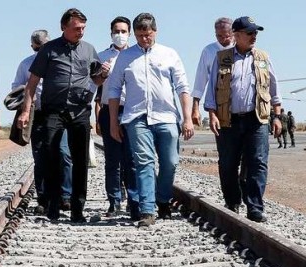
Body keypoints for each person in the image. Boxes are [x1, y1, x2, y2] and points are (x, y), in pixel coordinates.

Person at [17, 8, 108, 222]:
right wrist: (25, 111)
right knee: (51, 158)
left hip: (79, 112)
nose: (81, 32)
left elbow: (96, 80)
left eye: (83, 28)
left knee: (79, 160)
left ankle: (77, 209)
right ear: (64, 27)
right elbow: (32, 83)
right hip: (52, 112)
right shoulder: (48, 50)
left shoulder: (89, 50)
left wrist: (103, 74)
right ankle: (53, 206)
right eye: (77, 28)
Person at [107, 13, 194, 227]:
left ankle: (163, 199)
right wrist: (112, 122)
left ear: (155, 31)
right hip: (136, 117)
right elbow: (114, 89)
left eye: (148, 34)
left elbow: (183, 87)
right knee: (143, 162)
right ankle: (147, 210)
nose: (144, 39)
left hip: (166, 116)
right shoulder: (125, 58)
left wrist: (187, 118)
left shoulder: (169, 54)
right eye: (139, 35)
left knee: (170, 163)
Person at [204, 16, 282, 223]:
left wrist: (277, 116)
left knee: (258, 162)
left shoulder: (263, 58)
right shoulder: (222, 58)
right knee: (228, 164)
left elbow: (274, 88)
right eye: (249, 33)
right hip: (228, 120)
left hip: (256, 119)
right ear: (236, 36)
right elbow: (211, 90)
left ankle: (255, 206)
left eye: (255, 32)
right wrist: (211, 114)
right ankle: (232, 202)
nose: (254, 36)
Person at [11, 30, 73, 213]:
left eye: (44, 46)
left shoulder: (60, 60)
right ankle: (43, 199)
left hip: (58, 113)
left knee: (63, 154)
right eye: (38, 47)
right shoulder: (25, 64)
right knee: (41, 157)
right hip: (36, 114)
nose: (41, 50)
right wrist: (27, 95)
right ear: (33, 47)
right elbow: (16, 87)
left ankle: (66, 196)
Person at [94, 16, 139, 219]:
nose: (120, 35)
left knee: (131, 159)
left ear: (129, 33)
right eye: (116, 31)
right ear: (111, 33)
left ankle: (133, 200)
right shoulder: (101, 55)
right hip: (108, 110)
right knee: (112, 160)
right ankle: (114, 201)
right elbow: (93, 84)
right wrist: (102, 75)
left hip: (131, 111)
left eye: (123, 31)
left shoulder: (136, 55)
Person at [191, 18, 234, 126]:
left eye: (227, 36)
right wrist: (195, 108)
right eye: (219, 36)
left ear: (233, 33)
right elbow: (200, 80)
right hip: (219, 107)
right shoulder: (208, 51)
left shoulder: (240, 49)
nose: (223, 39)